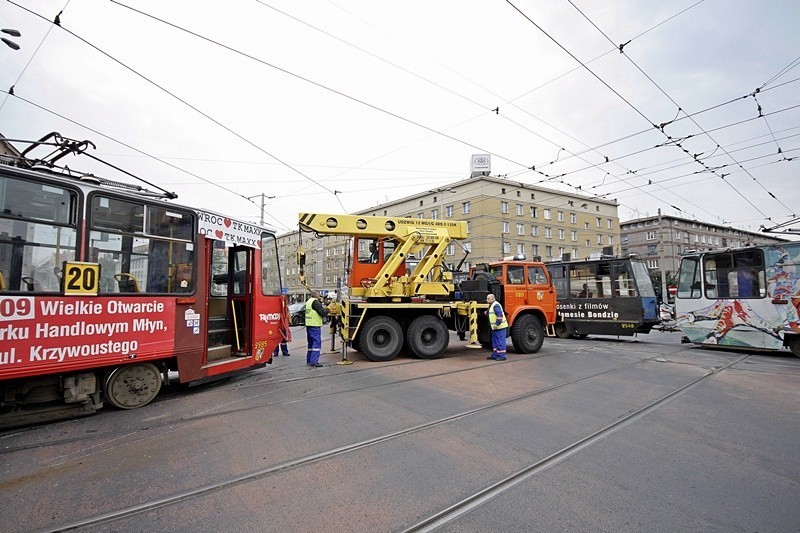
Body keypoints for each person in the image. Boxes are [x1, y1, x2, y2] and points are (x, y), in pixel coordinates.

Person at [305, 290, 329, 367]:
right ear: (317, 295)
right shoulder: (316, 302)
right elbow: (322, 312)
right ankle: (314, 361)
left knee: (311, 344)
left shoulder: (308, 301)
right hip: (315, 325)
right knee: (316, 343)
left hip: (309, 325)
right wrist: (328, 309)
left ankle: (309, 360)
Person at [485, 293, 508, 361]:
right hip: (495, 327)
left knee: (500, 341)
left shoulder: (496, 305)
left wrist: (496, 324)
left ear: (493, 299)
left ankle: (502, 356)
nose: (487, 300)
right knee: (494, 341)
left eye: (488, 298)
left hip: (499, 327)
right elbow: (489, 313)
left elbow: (499, 316)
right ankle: (495, 354)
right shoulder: (492, 305)